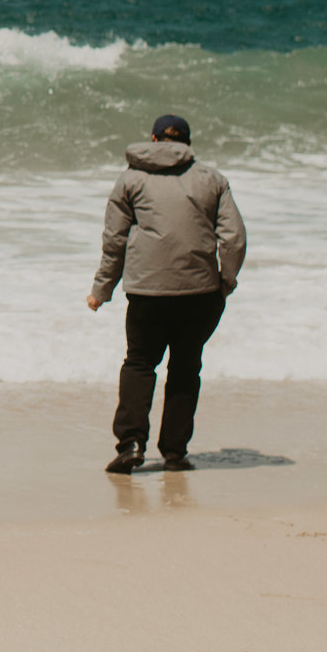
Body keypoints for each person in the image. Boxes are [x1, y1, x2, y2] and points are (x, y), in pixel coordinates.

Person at [87, 114, 246, 474]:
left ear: (154, 139)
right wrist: (226, 281)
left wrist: (102, 289)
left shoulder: (130, 179)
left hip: (147, 292)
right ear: (187, 144)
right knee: (186, 369)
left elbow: (115, 241)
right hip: (200, 292)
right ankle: (175, 452)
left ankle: (130, 445)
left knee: (140, 364)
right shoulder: (211, 179)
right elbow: (234, 238)